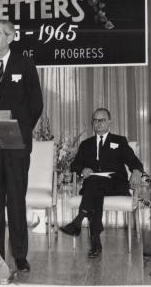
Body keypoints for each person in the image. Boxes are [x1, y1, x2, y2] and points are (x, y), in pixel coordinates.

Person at [0, 20, 43, 272]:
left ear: (11, 37)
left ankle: (20, 255)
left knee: (15, 200)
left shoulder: (24, 63)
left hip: (16, 145)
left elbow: (36, 102)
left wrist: (22, 130)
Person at [59, 108, 143, 258]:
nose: (98, 123)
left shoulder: (119, 141)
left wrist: (136, 171)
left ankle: (78, 221)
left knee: (93, 183)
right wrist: (82, 169)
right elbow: (75, 165)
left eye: (102, 120)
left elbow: (134, 161)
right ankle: (95, 243)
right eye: (95, 121)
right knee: (95, 187)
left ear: (109, 122)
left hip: (115, 185)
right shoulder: (86, 144)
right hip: (95, 186)